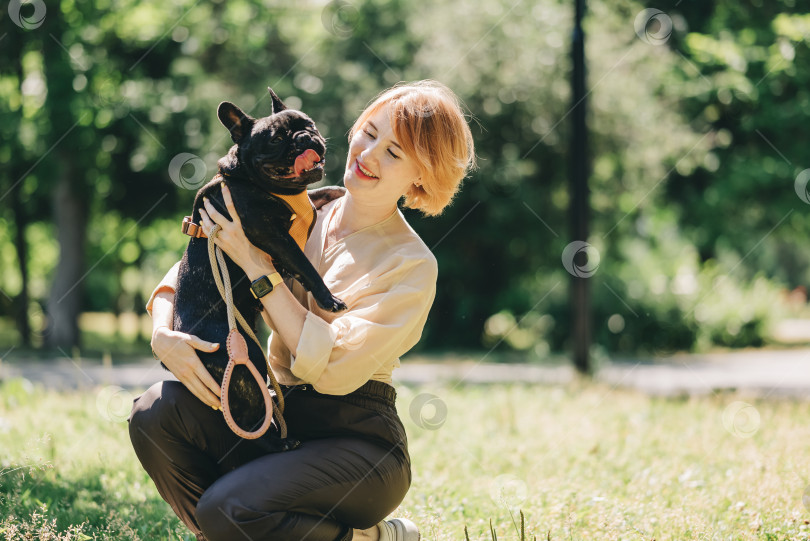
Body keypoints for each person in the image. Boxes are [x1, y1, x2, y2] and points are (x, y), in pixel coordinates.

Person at [128, 80, 475, 541]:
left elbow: (334, 371)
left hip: (357, 443)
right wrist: (161, 331)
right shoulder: (298, 207)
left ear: (421, 176)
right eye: (369, 132)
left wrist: (257, 266)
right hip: (273, 416)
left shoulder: (410, 265)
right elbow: (196, 261)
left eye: (394, 153)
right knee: (155, 413)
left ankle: (371, 538)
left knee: (228, 508)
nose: (368, 155)